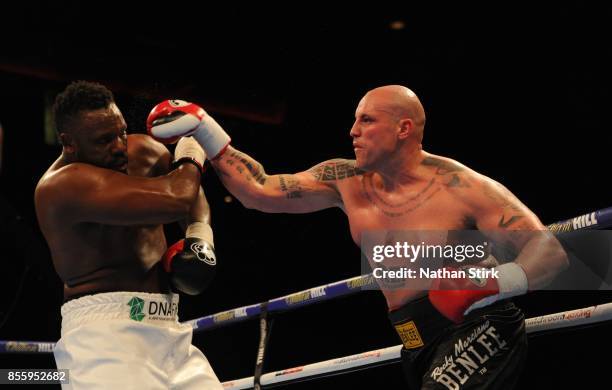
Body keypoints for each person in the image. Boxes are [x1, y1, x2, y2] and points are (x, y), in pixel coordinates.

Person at [146, 85, 569, 389]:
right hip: (412, 337)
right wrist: (206, 130)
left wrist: (488, 284)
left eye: (366, 120)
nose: (353, 131)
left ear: (403, 129)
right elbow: (262, 191)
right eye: (354, 120)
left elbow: (551, 251)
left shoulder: (462, 186)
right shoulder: (345, 180)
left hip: (477, 324)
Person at [34, 81, 223, 389]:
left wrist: (200, 234)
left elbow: (191, 197)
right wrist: (192, 150)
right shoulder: (62, 187)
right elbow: (178, 196)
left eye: (121, 131)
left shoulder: (142, 152)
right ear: (70, 143)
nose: (120, 146)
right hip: (104, 338)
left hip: (169, 328)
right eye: (104, 140)